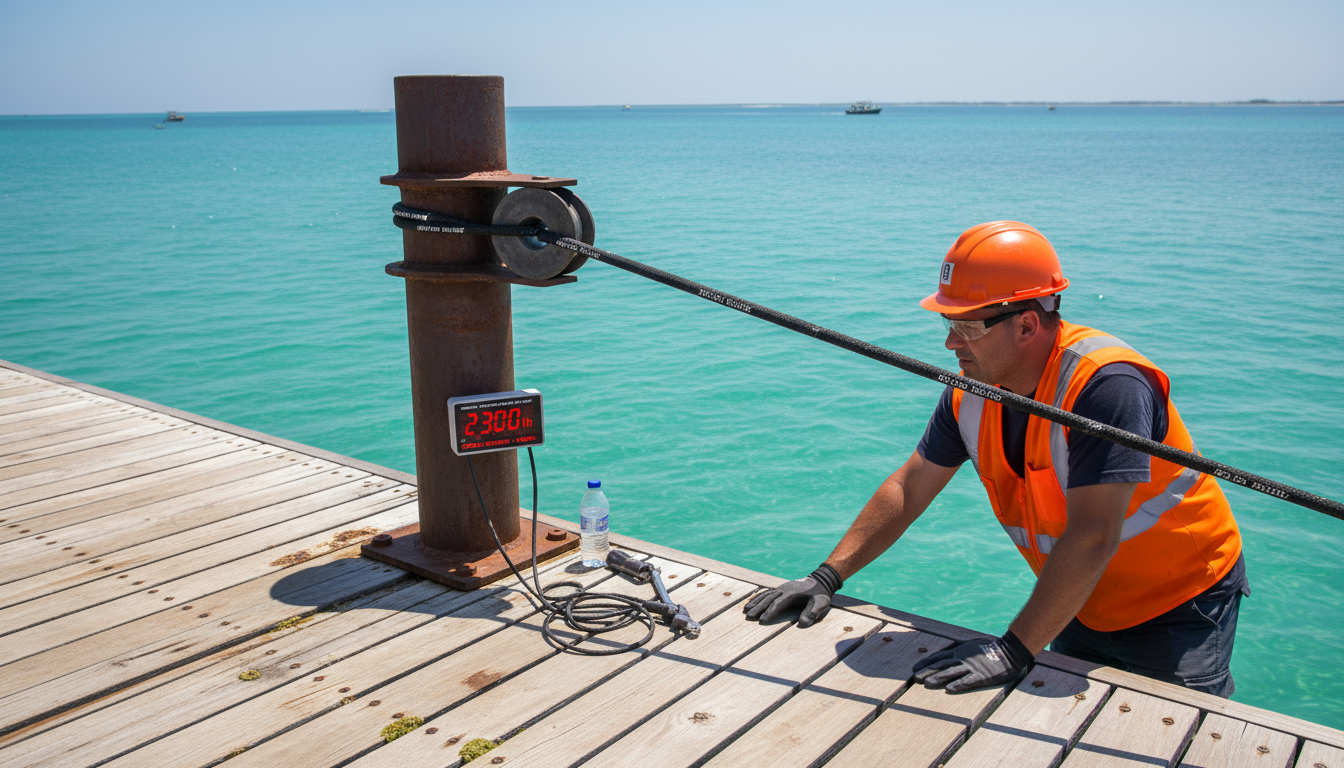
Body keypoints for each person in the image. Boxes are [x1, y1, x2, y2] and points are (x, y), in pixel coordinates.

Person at [744, 221, 1248, 697]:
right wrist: (827, 576)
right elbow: (911, 485)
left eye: (967, 327)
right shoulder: (974, 389)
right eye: (948, 323)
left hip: (1181, 603)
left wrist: (1014, 650)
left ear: (1027, 325)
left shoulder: (1107, 387)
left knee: (1183, 739)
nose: (949, 342)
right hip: (1080, 595)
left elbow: (1094, 534)